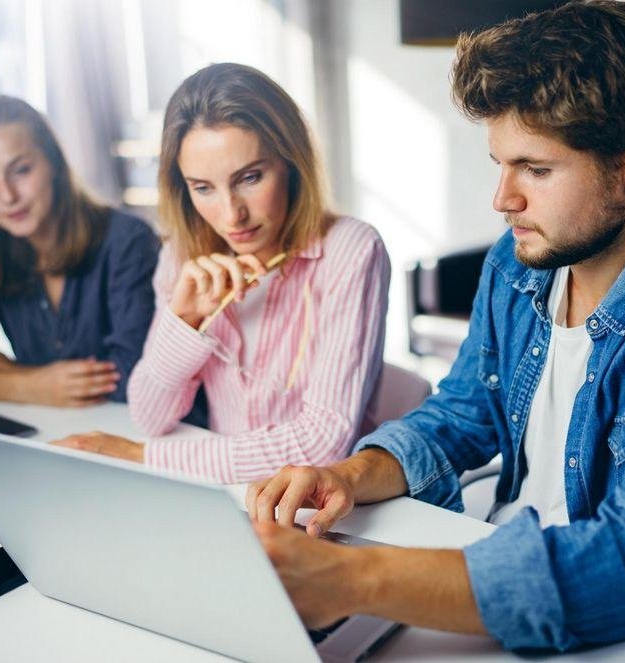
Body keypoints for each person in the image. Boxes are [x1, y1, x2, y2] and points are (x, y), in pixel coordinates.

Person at [245, 0, 625, 653]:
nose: (502, 198)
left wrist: (354, 578)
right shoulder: (520, 266)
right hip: (502, 588)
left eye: (536, 170)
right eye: (500, 163)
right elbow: (462, 412)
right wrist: (350, 473)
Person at [54, 63, 390, 483]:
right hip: (223, 497)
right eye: (203, 188)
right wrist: (184, 321)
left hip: (323, 508)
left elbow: (323, 442)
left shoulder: (351, 248)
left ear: (291, 162)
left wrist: (143, 457)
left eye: (250, 178)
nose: (232, 215)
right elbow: (150, 416)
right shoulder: (181, 257)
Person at [0, 96, 160, 406]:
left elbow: (136, 380)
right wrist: (26, 385)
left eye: (21, 170)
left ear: (54, 163)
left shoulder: (127, 240)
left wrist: (8, 372)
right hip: (51, 438)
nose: (7, 196)